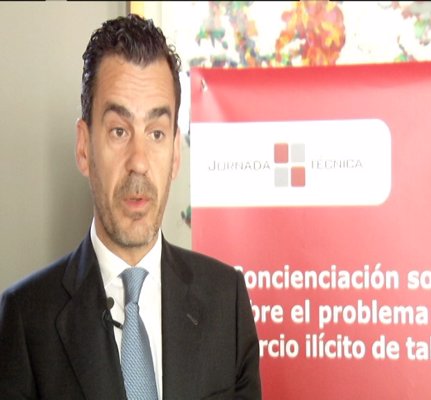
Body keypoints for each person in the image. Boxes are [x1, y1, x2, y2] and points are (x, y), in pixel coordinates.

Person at [0, 13, 261, 400]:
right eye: (119, 131)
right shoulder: (24, 319)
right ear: (84, 147)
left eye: (156, 134)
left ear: (175, 153)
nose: (139, 161)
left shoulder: (228, 301)